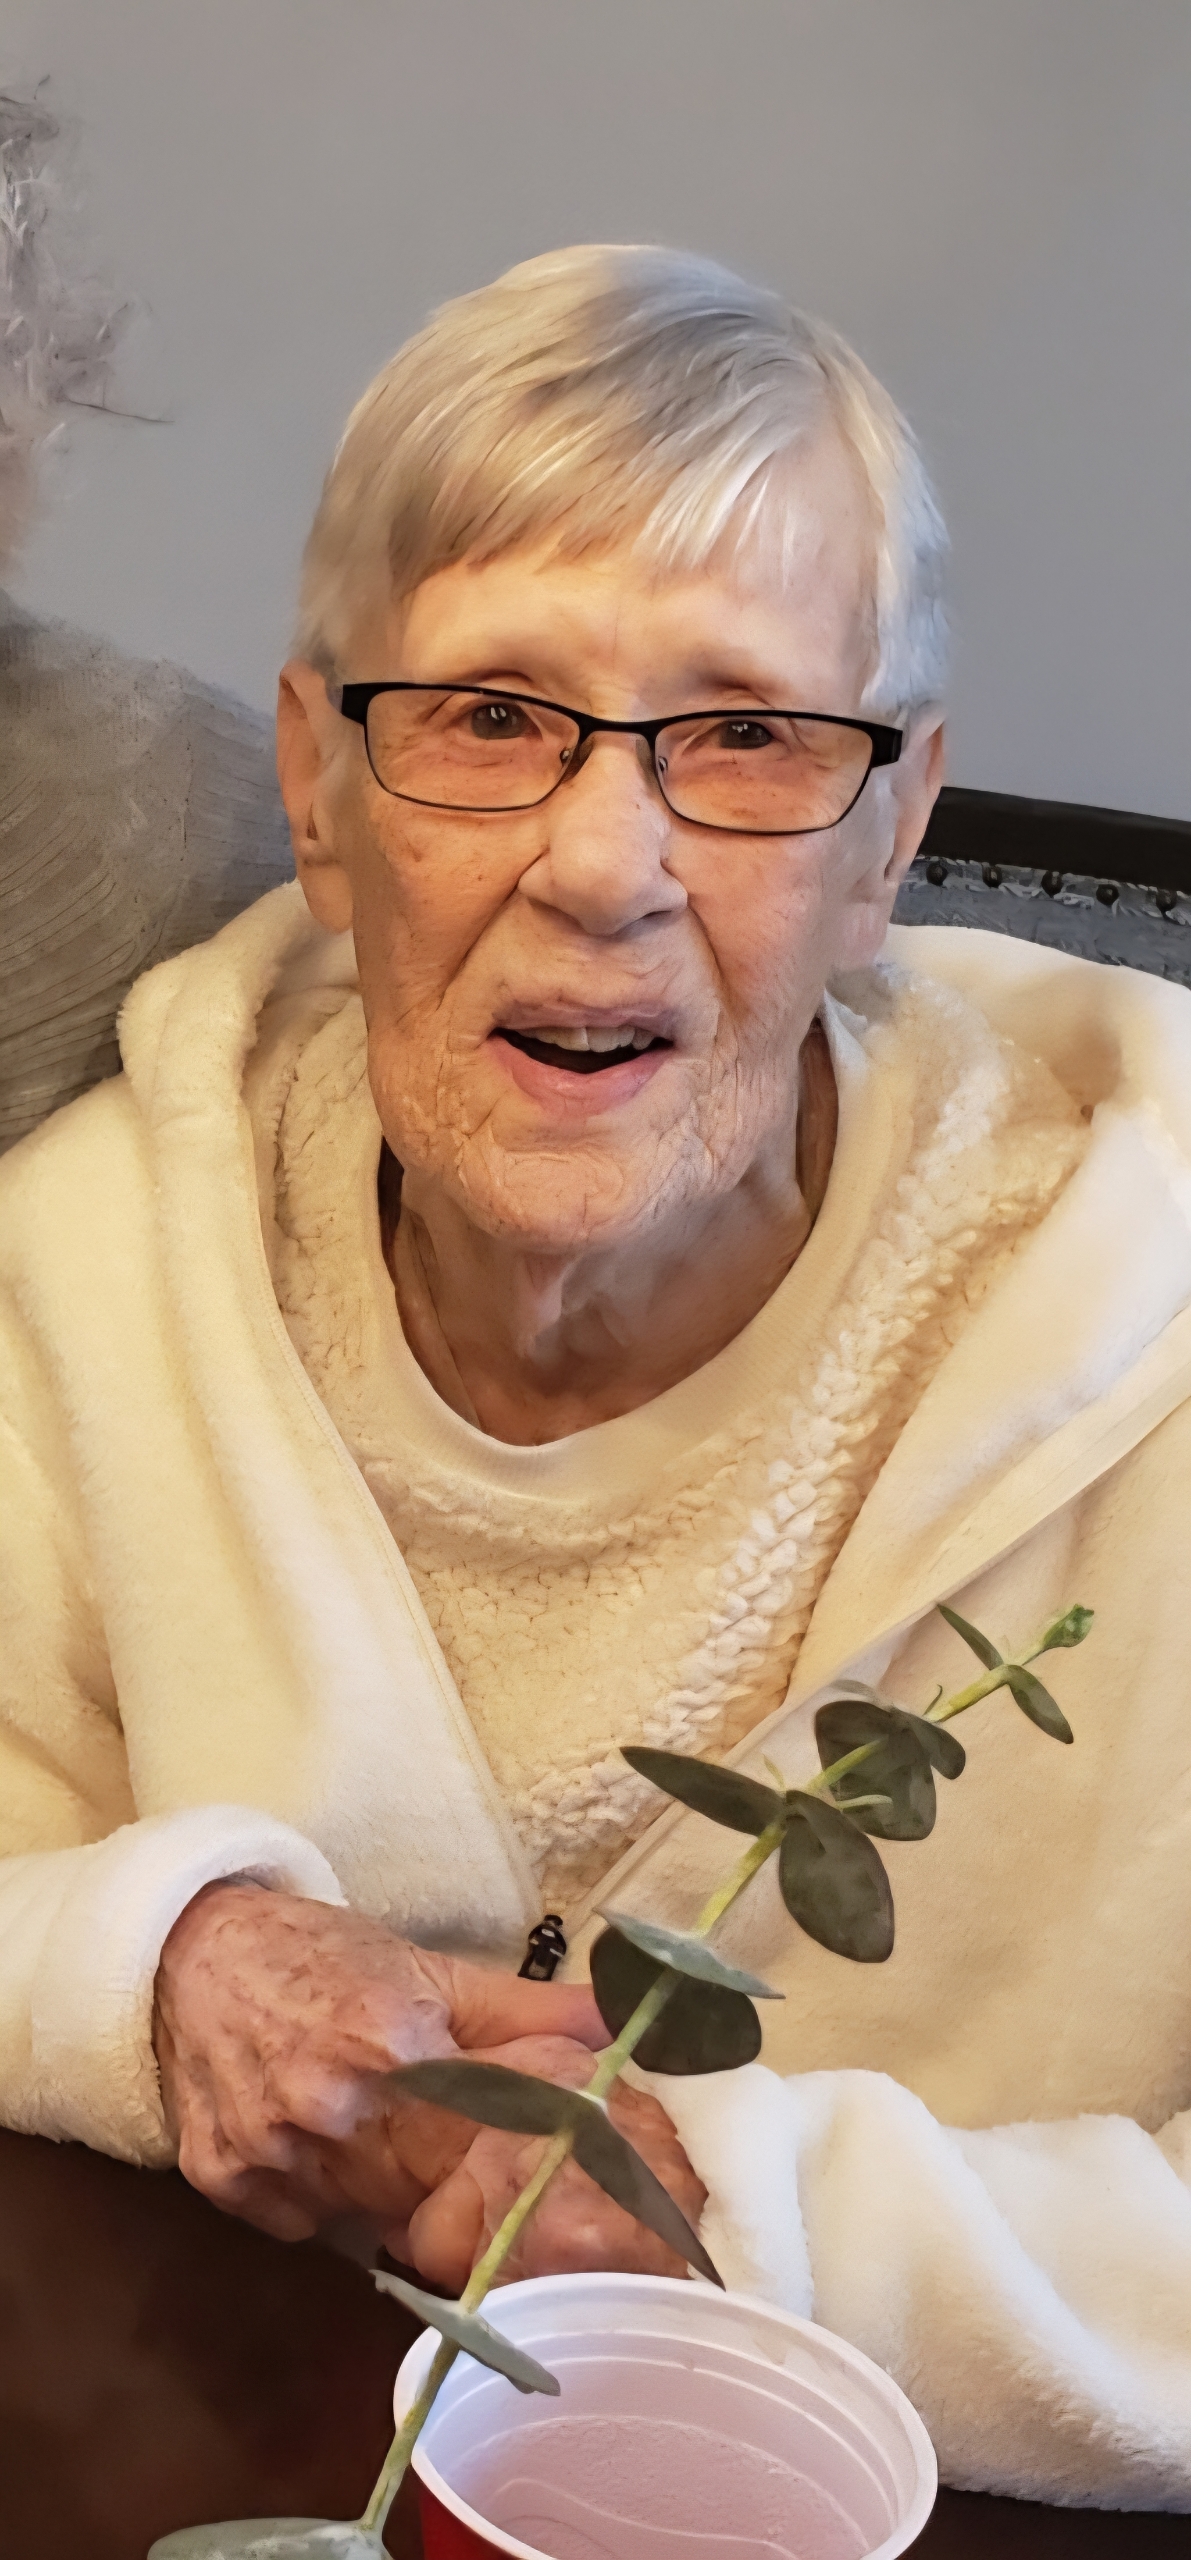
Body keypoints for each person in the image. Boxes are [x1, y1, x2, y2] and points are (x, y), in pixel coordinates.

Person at [1, 244, 1189, 2508]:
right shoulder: (88, 1264)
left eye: (744, 736)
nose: (602, 864)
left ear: (889, 831)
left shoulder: (1157, 1307)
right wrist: (161, 1962)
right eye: (487, 715)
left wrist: (731, 2213)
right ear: (318, 788)